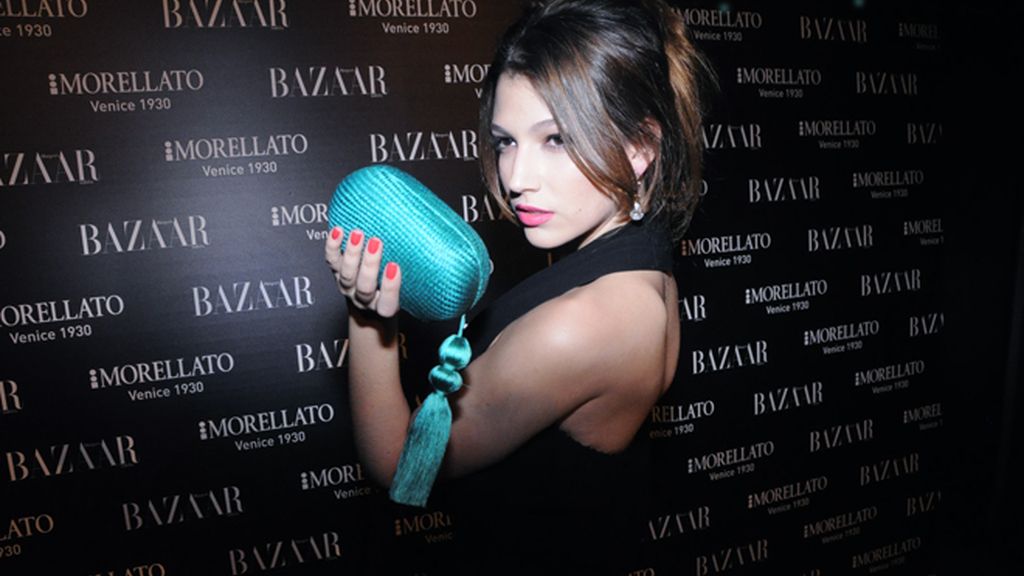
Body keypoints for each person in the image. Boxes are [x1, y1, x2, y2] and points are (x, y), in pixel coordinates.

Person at [325, 0, 711, 572]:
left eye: (555, 139)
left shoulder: (583, 325)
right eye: (505, 141)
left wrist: (367, 317)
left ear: (639, 149)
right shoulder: (639, 263)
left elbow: (401, 466)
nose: (516, 178)